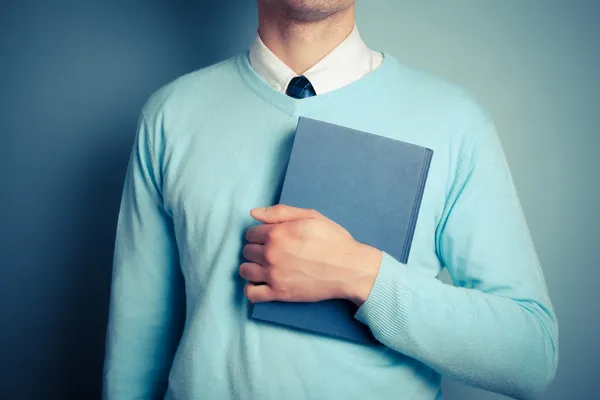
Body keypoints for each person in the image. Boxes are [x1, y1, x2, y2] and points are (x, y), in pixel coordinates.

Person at [102, 1, 558, 399]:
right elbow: (135, 348)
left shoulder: (456, 122)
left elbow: (530, 355)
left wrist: (361, 276)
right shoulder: (170, 115)